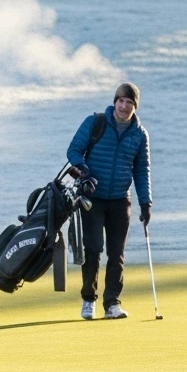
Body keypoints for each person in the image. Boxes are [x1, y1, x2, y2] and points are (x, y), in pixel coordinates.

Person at [67, 82, 152, 320]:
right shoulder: (95, 122)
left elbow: (141, 170)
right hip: (91, 198)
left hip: (120, 201)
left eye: (129, 103)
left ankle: (112, 303)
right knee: (93, 249)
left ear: (135, 106)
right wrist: (84, 171)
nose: (124, 106)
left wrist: (146, 203)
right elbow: (74, 150)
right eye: (121, 101)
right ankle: (88, 300)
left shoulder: (139, 134)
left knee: (117, 254)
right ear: (114, 101)